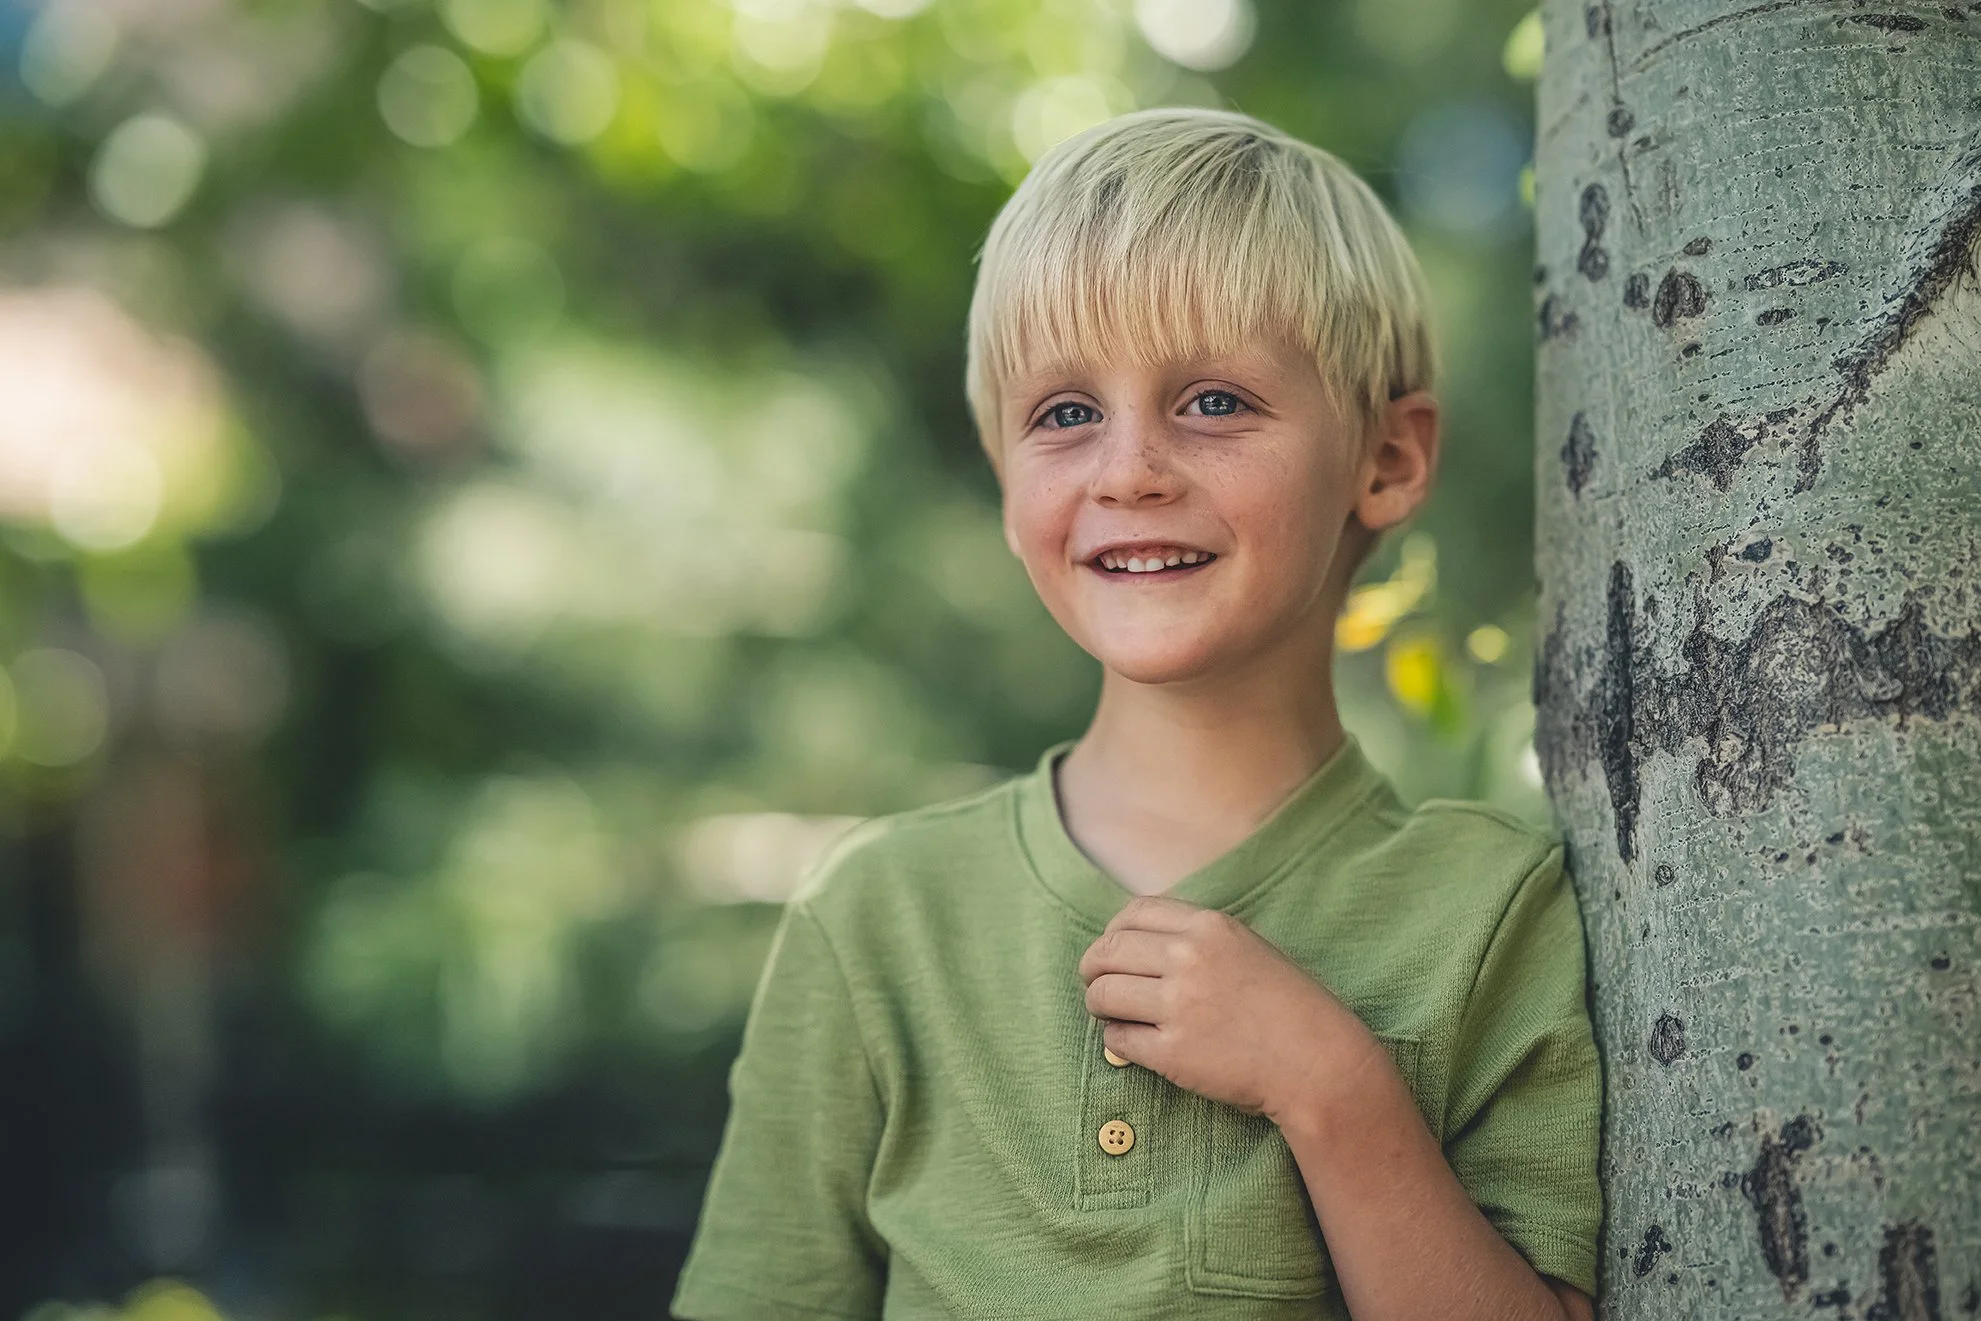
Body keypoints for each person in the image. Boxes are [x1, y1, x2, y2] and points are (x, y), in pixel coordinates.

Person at [670, 106, 1601, 1321]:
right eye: (1063, 414)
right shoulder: (880, 918)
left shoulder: (1493, 908)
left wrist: (1331, 1087)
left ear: (1386, 459)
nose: (1128, 470)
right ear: (1006, 485)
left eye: (1213, 401)